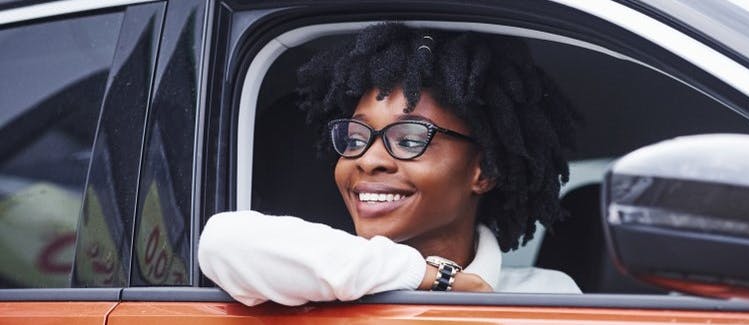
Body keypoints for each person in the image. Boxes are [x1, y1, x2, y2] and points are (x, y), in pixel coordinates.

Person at [198, 23, 580, 306]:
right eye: (355, 139)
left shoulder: (546, 297)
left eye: (410, 140)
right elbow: (222, 242)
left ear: (485, 171)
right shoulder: (305, 276)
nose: (368, 159)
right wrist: (432, 278)